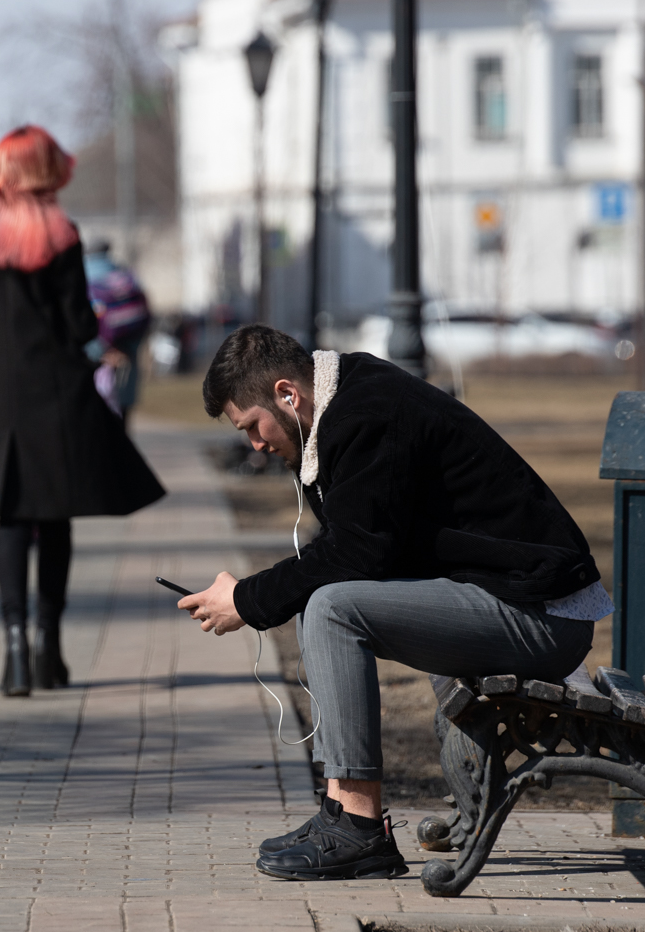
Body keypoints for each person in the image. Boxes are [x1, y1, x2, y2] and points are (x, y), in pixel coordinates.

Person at [178, 325, 609, 881]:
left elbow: (359, 554)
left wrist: (247, 597)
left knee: (332, 607)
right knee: (322, 600)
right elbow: (359, 544)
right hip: (510, 598)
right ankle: (340, 809)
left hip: (542, 613)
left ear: (288, 394)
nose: (255, 444)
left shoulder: (368, 414)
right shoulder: (348, 404)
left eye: (252, 427)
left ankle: (359, 829)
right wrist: (261, 593)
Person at [0, 125, 166, 695]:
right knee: (54, 519)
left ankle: (14, 652)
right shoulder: (62, 233)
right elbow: (79, 326)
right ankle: (50, 648)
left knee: (12, 520)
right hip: (57, 394)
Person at [82, 240, 152, 426]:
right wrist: (127, 350)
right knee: (121, 423)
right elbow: (143, 317)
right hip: (126, 360)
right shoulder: (126, 277)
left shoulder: (83, 276)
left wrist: (99, 351)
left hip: (95, 364)